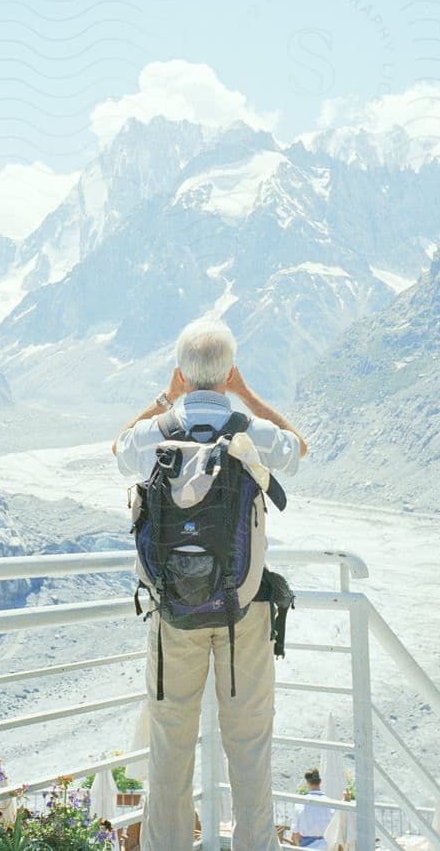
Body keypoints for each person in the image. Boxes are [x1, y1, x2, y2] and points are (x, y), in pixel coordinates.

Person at [115, 318, 307, 851]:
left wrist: (163, 398)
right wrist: (244, 395)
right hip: (243, 611)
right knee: (248, 746)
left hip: (171, 615)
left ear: (181, 375)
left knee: (169, 746)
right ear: (227, 375)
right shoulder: (251, 431)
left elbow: (117, 448)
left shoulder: (157, 432)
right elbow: (299, 446)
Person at [290, 769, 334, 848]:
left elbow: (295, 833)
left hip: (307, 846)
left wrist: (299, 847)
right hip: (327, 846)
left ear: (307, 783)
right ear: (320, 781)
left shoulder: (300, 804)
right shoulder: (331, 804)